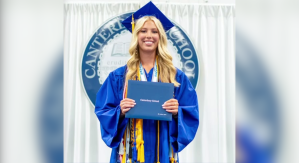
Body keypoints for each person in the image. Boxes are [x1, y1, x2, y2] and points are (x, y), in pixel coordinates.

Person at [95, 1, 199, 163]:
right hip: (130, 152)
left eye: (154, 31)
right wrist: (120, 111)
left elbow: (191, 111)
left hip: (163, 151)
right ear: (136, 36)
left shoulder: (176, 77)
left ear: (161, 37)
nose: (149, 35)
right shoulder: (119, 76)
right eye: (143, 31)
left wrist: (178, 111)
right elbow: (103, 110)